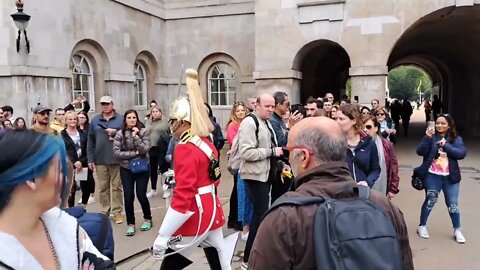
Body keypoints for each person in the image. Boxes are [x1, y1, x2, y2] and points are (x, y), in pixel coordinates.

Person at [248, 117, 413, 270]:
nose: (287, 158)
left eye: (288, 152)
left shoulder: (284, 217)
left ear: (304, 157)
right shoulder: (384, 206)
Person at [153, 69, 233, 269]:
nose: (172, 126)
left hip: (195, 212)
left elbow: (184, 193)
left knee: (170, 265)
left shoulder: (185, 149)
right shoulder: (206, 142)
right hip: (210, 207)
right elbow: (214, 178)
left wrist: (163, 235)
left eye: (174, 122)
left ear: (184, 122)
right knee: (219, 260)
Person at [0, 130, 113, 269]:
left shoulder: (64, 225)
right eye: (59, 170)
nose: (65, 180)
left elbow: (104, 265)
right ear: (32, 177)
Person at [237, 93, 282, 269]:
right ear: (257, 105)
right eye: (267, 106)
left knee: (262, 214)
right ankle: (248, 258)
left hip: (265, 174)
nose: (271, 109)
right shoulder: (249, 122)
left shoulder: (266, 122)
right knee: (259, 215)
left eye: (273, 106)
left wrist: (279, 163)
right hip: (254, 177)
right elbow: (246, 153)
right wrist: (271, 152)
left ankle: (257, 254)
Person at [415, 114, 467, 243]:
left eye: (443, 123)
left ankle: (457, 230)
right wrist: (427, 137)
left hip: (450, 177)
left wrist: (446, 146)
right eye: (438, 123)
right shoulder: (430, 137)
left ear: (449, 125)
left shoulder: (456, 139)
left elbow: (461, 153)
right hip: (432, 176)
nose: (440, 125)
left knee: (453, 204)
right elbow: (420, 151)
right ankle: (422, 226)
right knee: (430, 200)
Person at [113, 109, 152, 236]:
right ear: (125, 119)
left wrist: (136, 137)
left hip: (142, 168)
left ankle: (148, 218)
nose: (132, 120)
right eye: (129, 117)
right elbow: (117, 153)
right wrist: (133, 154)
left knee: (141, 194)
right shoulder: (119, 134)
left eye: (134, 117)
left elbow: (145, 149)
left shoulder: (143, 131)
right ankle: (131, 223)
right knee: (128, 197)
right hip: (126, 169)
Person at [87, 96, 125, 224]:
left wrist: (116, 132)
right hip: (100, 158)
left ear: (112, 105)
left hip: (116, 158)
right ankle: (105, 210)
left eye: (107, 104)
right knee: (103, 188)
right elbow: (90, 140)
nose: (105, 106)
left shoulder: (121, 119)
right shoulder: (95, 120)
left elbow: (127, 135)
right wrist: (90, 158)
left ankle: (117, 212)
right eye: (103, 104)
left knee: (116, 187)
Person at [336, 104, 380, 187]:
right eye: (336, 118)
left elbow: (375, 169)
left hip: (362, 192)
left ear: (354, 120)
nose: (337, 122)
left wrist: (367, 182)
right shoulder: (334, 143)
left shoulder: (369, 143)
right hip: (341, 193)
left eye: (341, 119)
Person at [363, 116, 400, 198]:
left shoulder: (386, 144)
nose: (365, 130)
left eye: (368, 127)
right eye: (363, 127)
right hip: (362, 187)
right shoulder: (357, 145)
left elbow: (393, 166)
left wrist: (393, 188)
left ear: (376, 128)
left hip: (381, 186)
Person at [61, 111, 91, 207]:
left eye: (74, 119)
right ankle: (71, 211)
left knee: (86, 187)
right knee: (71, 190)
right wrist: (74, 162)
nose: (73, 121)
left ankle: (83, 207)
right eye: (70, 119)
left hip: (83, 164)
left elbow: (87, 148)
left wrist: (81, 161)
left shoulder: (83, 133)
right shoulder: (62, 135)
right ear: (66, 121)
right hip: (69, 166)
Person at [226, 101, 248, 232]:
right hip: (237, 161)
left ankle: (236, 219)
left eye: (242, 110)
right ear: (234, 113)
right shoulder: (232, 126)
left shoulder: (246, 123)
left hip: (244, 160)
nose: (241, 112)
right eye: (238, 111)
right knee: (237, 191)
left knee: (239, 191)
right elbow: (235, 143)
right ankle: (234, 219)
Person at [145, 106, 170, 198]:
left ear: (160, 112)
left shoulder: (166, 122)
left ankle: (166, 188)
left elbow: (170, 133)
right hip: (151, 147)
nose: (155, 113)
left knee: (164, 168)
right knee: (152, 169)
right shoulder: (148, 122)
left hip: (162, 148)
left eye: (156, 111)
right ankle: (153, 189)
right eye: (153, 112)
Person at [78, 111, 95, 205]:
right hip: (79, 157)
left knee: (89, 176)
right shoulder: (76, 129)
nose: (81, 119)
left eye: (83, 117)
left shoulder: (89, 128)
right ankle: (84, 195)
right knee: (81, 177)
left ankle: (92, 195)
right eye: (79, 117)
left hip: (88, 155)